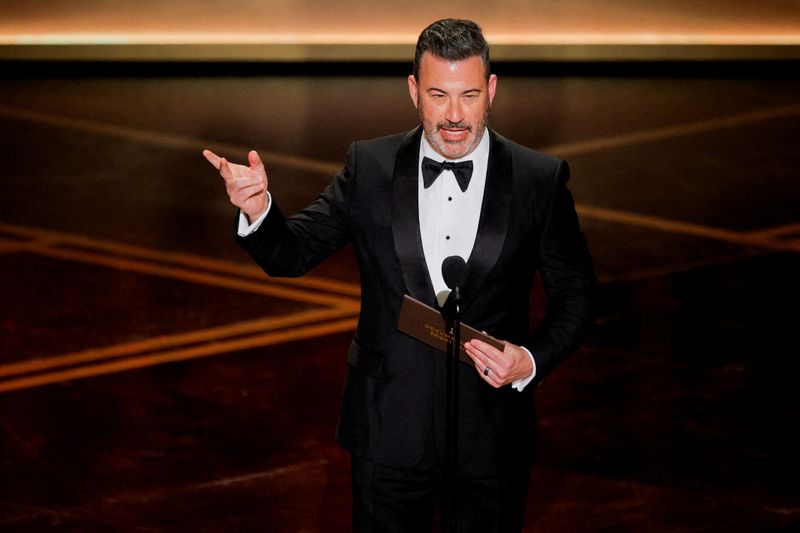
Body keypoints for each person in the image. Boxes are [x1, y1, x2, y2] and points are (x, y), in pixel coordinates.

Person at [203, 18, 594, 533]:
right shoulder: (370, 166)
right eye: (438, 95)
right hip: (388, 425)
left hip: (491, 434)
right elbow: (291, 254)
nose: (455, 115)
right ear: (414, 91)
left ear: (491, 90)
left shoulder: (539, 179)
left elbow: (577, 296)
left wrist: (529, 361)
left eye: (469, 95)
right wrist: (258, 211)